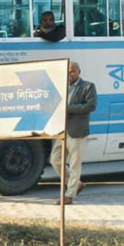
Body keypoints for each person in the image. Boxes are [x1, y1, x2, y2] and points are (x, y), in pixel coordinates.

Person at [51, 61, 97, 204]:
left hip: (77, 130)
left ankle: (69, 195)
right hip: (62, 130)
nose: (70, 75)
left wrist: (69, 108)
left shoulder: (88, 86)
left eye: (72, 72)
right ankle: (76, 184)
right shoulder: (62, 87)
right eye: (68, 72)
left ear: (79, 72)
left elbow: (90, 106)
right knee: (55, 160)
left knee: (74, 163)